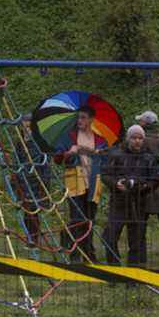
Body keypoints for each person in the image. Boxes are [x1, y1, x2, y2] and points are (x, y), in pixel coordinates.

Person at [54, 105, 108, 262]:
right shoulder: (69, 137)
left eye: (83, 117)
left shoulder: (100, 140)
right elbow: (57, 159)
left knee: (89, 220)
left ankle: (89, 254)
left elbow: (106, 160)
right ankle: (74, 253)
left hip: (93, 183)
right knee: (77, 219)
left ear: (91, 120)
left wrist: (98, 154)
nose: (80, 120)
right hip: (75, 182)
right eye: (78, 117)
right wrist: (68, 153)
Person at [102, 125, 158, 266]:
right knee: (110, 237)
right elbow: (105, 175)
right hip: (119, 202)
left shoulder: (149, 157)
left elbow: (155, 180)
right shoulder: (116, 154)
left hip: (139, 203)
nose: (137, 141)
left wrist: (142, 186)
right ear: (128, 139)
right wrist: (116, 184)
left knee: (136, 240)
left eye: (140, 138)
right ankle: (115, 270)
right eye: (134, 138)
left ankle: (132, 274)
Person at [136, 110, 159, 259]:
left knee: (140, 225)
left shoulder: (141, 141)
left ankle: (140, 255)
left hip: (144, 187)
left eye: (141, 121)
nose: (139, 123)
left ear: (145, 123)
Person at [12, 113, 51, 248]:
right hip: (23, 180)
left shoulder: (39, 142)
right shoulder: (20, 142)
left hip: (36, 180)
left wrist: (44, 182)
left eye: (29, 126)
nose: (26, 129)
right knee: (26, 210)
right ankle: (29, 237)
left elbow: (44, 164)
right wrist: (16, 179)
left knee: (34, 210)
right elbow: (16, 161)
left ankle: (34, 238)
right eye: (24, 127)